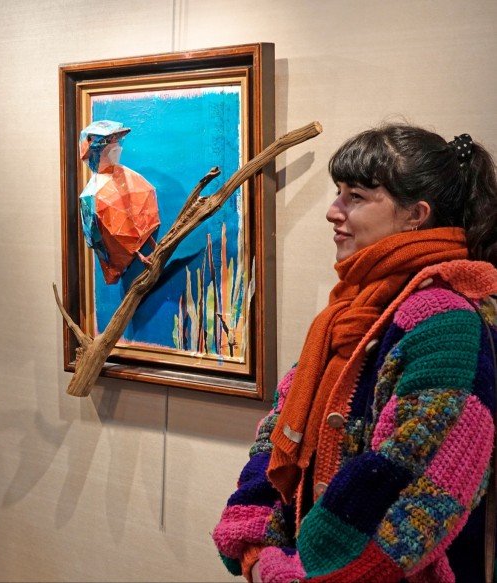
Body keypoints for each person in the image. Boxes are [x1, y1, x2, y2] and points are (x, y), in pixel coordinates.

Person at [212, 123, 497, 582]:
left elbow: (411, 488)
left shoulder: (444, 323)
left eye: (356, 197)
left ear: (416, 215)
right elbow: (277, 430)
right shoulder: (348, 313)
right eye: (338, 192)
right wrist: (254, 539)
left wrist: (301, 572)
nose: (333, 211)